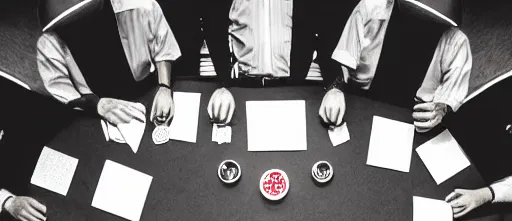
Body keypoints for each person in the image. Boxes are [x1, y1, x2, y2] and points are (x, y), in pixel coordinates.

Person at [321, 0, 471, 131]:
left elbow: (451, 100)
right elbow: (340, 60)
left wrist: (442, 109)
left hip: (412, 120)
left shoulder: (457, 43)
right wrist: (335, 88)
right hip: (359, 103)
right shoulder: (371, 7)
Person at [202, 0, 357, 126]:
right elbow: (213, 30)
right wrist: (223, 85)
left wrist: (335, 87)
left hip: (294, 92)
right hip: (242, 91)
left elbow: (327, 34)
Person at [37, 0, 182, 127]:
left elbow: (163, 46)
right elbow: (58, 87)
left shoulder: (140, 6)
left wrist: (164, 87)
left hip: (145, 91)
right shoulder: (49, 41)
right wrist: (96, 105)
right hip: (95, 110)